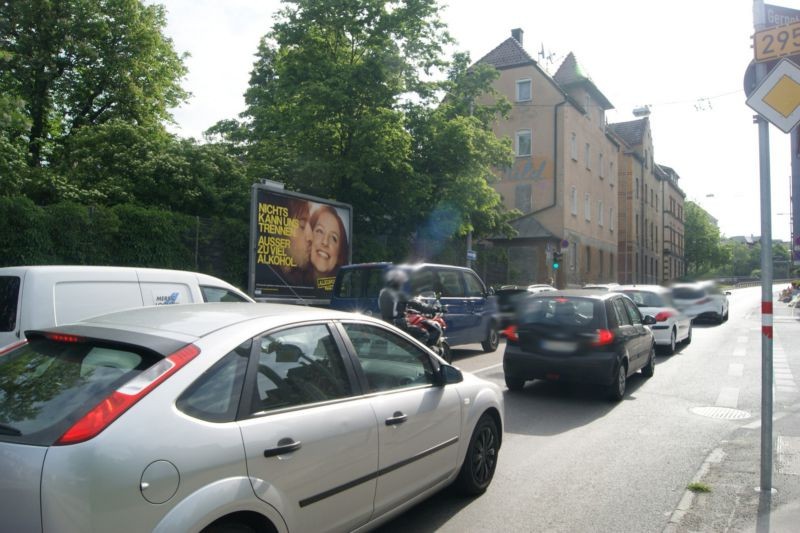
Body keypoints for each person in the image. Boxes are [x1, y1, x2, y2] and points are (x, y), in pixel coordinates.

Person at [378, 268, 441, 345]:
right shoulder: (399, 294)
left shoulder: (382, 292)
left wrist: (404, 309)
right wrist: (435, 309)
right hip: (399, 324)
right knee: (424, 334)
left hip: (385, 323)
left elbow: (390, 306)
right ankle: (416, 354)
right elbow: (419, 306)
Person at [308, 205, 349, 287]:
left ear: (339, 254)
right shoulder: (288, 282)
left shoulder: (342, 290)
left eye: (333, 238)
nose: (325, 242)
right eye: (320, 231)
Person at [279, 199, 313, 286]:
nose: (311, 238)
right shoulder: (267, 274)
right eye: (302, 226)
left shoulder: (306, 280)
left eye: (311, 227)